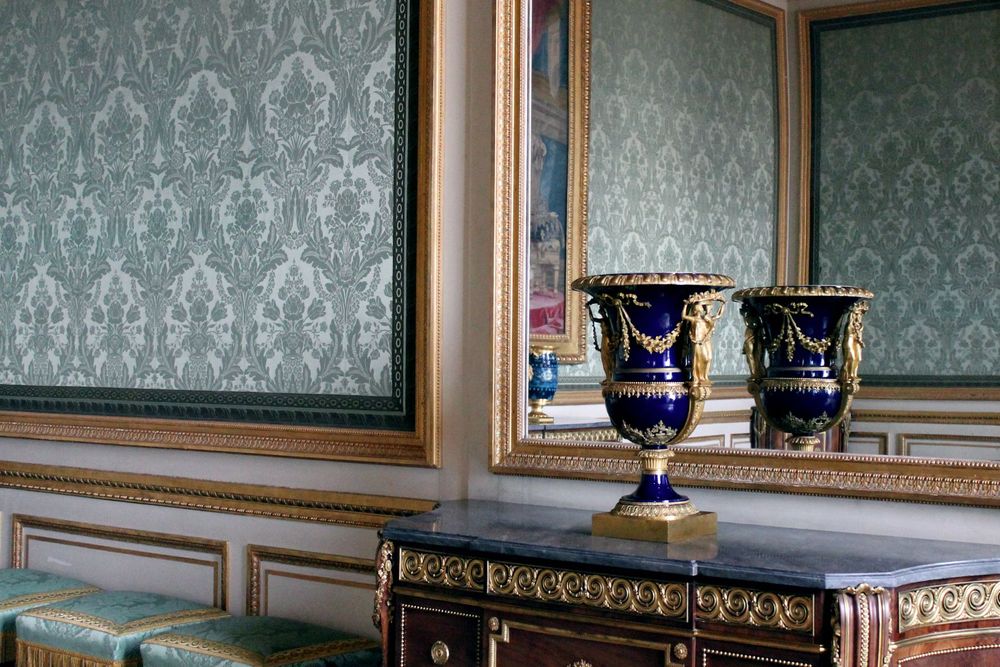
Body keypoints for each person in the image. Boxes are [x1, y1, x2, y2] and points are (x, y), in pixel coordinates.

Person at [683, 296, 725, 386]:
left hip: (705, 341)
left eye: (700, 309)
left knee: (708, 358)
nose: (699, 311)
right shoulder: (694, 319)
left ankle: (705, 376)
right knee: (697, 359)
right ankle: (697, 377)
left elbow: (719, 315)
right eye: (697, 309)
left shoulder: (706, 319)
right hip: (697, 341)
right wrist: (686, 305)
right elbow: (683, 316)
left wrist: (723, 304)